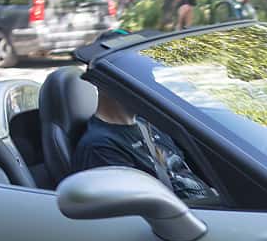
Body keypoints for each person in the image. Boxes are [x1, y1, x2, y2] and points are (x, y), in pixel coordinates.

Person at [74, 86, 211, 201]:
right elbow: (137, 210)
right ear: (112, 86)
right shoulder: (100, 147)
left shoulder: (146, 124)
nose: (151, 90)